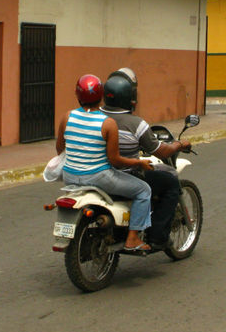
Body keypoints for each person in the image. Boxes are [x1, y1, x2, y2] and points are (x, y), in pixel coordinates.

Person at [56, 74, 154, 252]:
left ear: (77, 95)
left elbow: (60, 150)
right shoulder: (107, 124)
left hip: (69, 176)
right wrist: (139, 163)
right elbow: (115, 160)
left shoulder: (67, 117)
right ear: (101, 96)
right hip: (98, 177)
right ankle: (132, 238)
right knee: (143, 190)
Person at [100, 68, 192, 250]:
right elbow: (162, 152)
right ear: (129, 98)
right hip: (122, 177)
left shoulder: (93, 118)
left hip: (96, 175)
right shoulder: (136, 124)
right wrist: (180, 145)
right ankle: (157, 237)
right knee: (170, 183)